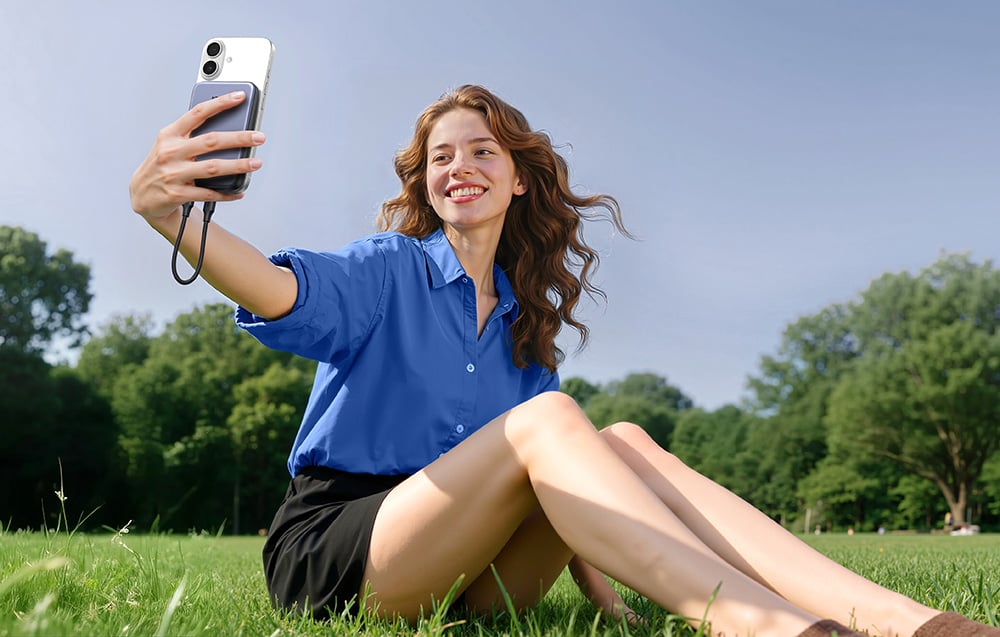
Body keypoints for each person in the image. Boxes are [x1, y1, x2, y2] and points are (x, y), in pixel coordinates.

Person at [129, 84, 999, 637]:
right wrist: (179, 220)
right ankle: (768, 628)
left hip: (469, 572)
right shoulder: (386, 268)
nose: (458, 166)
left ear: (517, 180)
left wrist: (613, 603)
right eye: (440, 157)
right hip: (341, 553)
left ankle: (903, 621)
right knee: (552, 418)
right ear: (425, 185)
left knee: (615, 434)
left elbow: (572, 490)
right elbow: (279, 291)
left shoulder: (521, 329)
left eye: (481, 151)